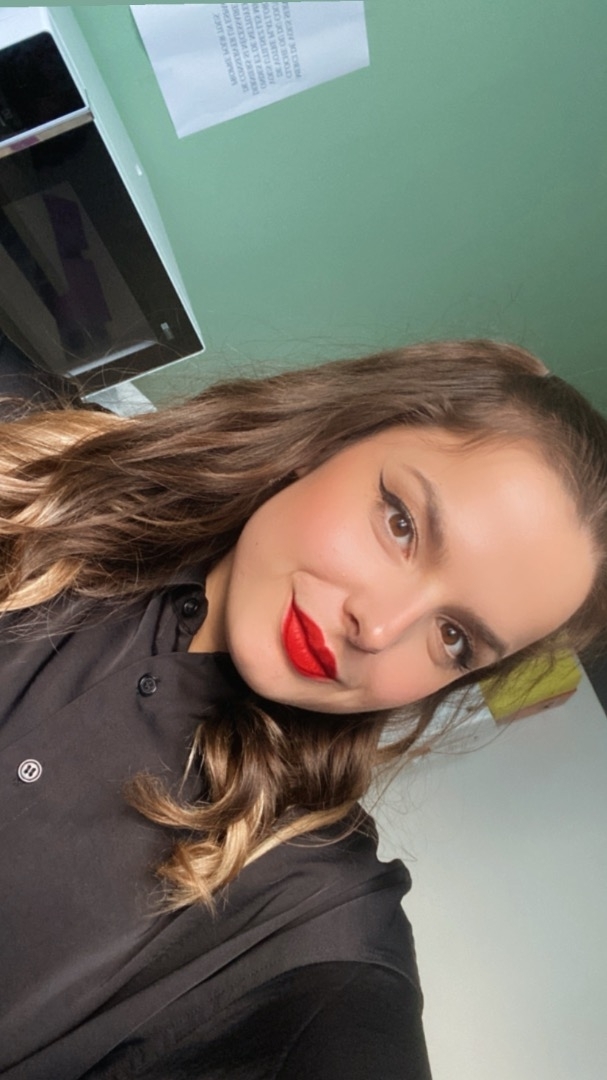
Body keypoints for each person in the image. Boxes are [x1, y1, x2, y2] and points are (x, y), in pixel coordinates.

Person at [0, 336, 606, 1080]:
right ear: (331, 438)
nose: (378, 629)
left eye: (453, 638)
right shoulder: (31, 441)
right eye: (402, 524)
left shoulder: (314, 912)